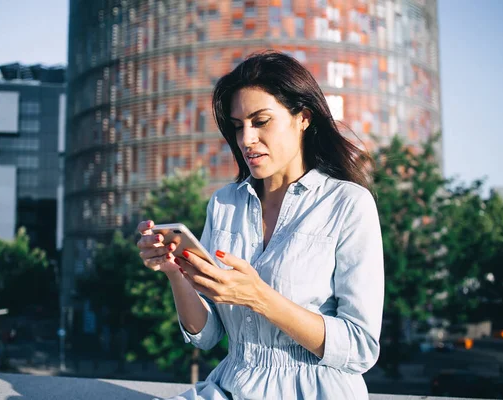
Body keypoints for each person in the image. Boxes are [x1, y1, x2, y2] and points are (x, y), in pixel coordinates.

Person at [137, 51, 384, 400]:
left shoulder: (347, 204)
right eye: (238, 126)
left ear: (303, 118)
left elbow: (359, 347)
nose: (246, 139)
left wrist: (259, 298)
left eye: (261, 121)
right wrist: (175, 272)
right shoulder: (224, 203)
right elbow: (207, 335)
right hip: (229, 386)